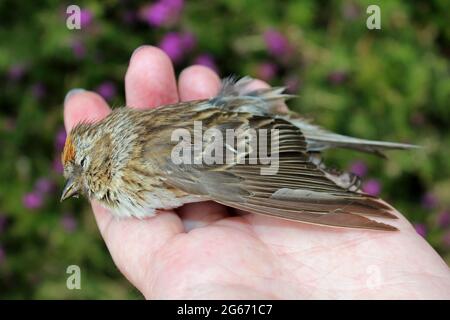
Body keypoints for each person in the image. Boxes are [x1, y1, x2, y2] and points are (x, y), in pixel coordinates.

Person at [63, 45, 450, 299]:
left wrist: (322, 197)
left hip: (258, 138)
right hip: (248, 131)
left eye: (80, 169)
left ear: (105, 148)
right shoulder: (137, 157)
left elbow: (247, 179)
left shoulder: (151, 158)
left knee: (234, 182)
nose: (78, 183)